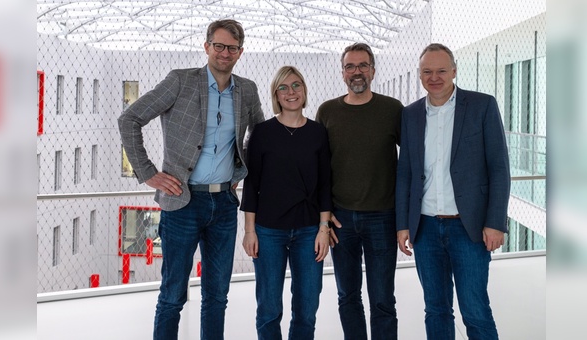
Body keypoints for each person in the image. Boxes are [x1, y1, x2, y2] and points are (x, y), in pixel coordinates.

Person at [117, 19, 265, 340]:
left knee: (217, 296)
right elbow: (130, 119)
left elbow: (260, 135)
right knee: (172, 296)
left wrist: (242, 169)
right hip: (182, 204)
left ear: (241, 52)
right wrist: (149, 173)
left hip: (224, 205)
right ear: (206, 47)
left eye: (232, 48)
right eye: (219, 46)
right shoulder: (180, 82)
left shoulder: (247, 90)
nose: (225, 53)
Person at [396, 43, 510, 340]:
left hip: (468, 227)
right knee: (436, 309)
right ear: (420, 75)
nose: (434, 77)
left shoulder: (482, 105)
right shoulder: (410, 115)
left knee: (475, 310)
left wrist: (496, 222)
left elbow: (499, 167)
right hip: (425, 227)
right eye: (427, 71)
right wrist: (403, 224)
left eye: (441, 71)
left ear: (454, 71)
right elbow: (406, 173)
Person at [315, 43, 403, 340]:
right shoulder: (327, 111)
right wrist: (324, 220)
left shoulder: (392, 109)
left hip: (383, 217)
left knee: (382, 300)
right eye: (350, 66)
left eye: (363, 65)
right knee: (348, 296)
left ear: (373, 71)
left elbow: (414, 161)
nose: (357, 72)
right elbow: (320, 170)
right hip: (342, 221)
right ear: (342, 73)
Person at [241, 66, 332, 340]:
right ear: (276, 95)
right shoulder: (262, 132)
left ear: (304, 91)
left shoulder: (318, 132)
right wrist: (249, 231)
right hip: (269, 231)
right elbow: (252, 183)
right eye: (283, 87)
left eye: (296, 86)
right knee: (268, 308)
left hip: (308, 231)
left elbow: (326, 183)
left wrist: (324, 229)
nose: (290, 92)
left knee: (307, 308)